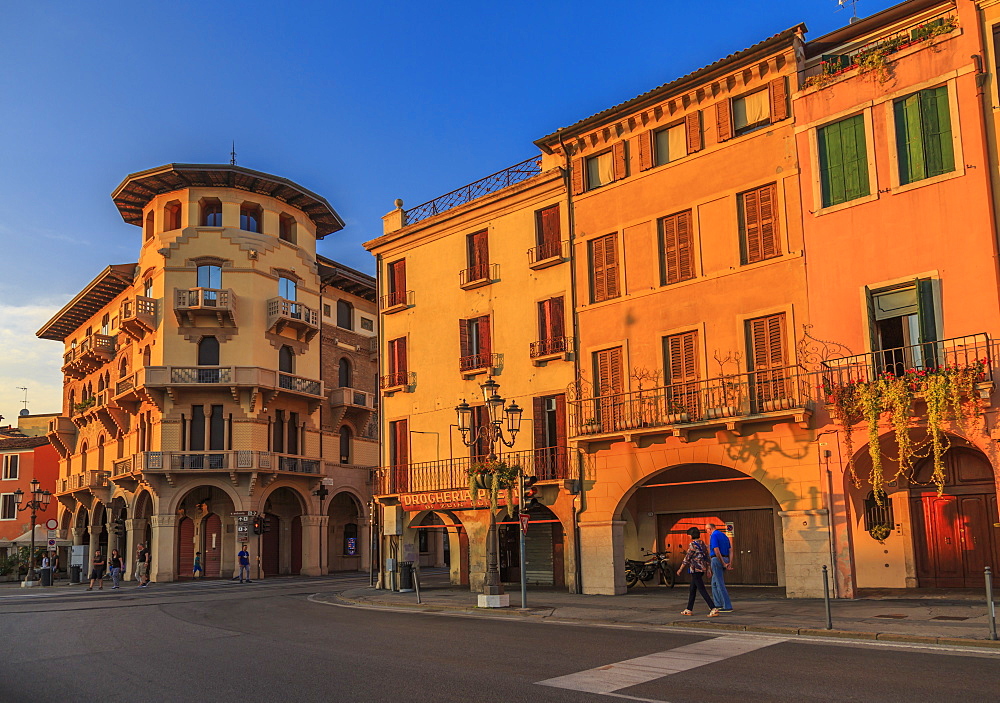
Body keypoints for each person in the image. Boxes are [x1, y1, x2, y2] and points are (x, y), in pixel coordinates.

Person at [677, 526, 719, 617]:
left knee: (702, 589)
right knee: (692, 589)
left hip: (695, 569)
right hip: (702, 569)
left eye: (688, 535)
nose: (688, 537)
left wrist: (680, 569)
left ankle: (713, 608)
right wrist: (708, 569)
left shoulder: (692, 545)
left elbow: (687, 558)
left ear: (691, 535)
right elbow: (707, 557)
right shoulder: (702, 544)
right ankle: (689, 609)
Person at [707, 523, 734, 613]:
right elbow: (730, 550)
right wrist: (729, 562)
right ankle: (717, 604)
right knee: (714, 583)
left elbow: (716, 550)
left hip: (717, 559)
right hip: (725, 558)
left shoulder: (714, 536)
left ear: (710, 529)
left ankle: (727, 605)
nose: (707, 532)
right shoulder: (724, 536)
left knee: (719, 583)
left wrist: (722, 562)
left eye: (707, 530)